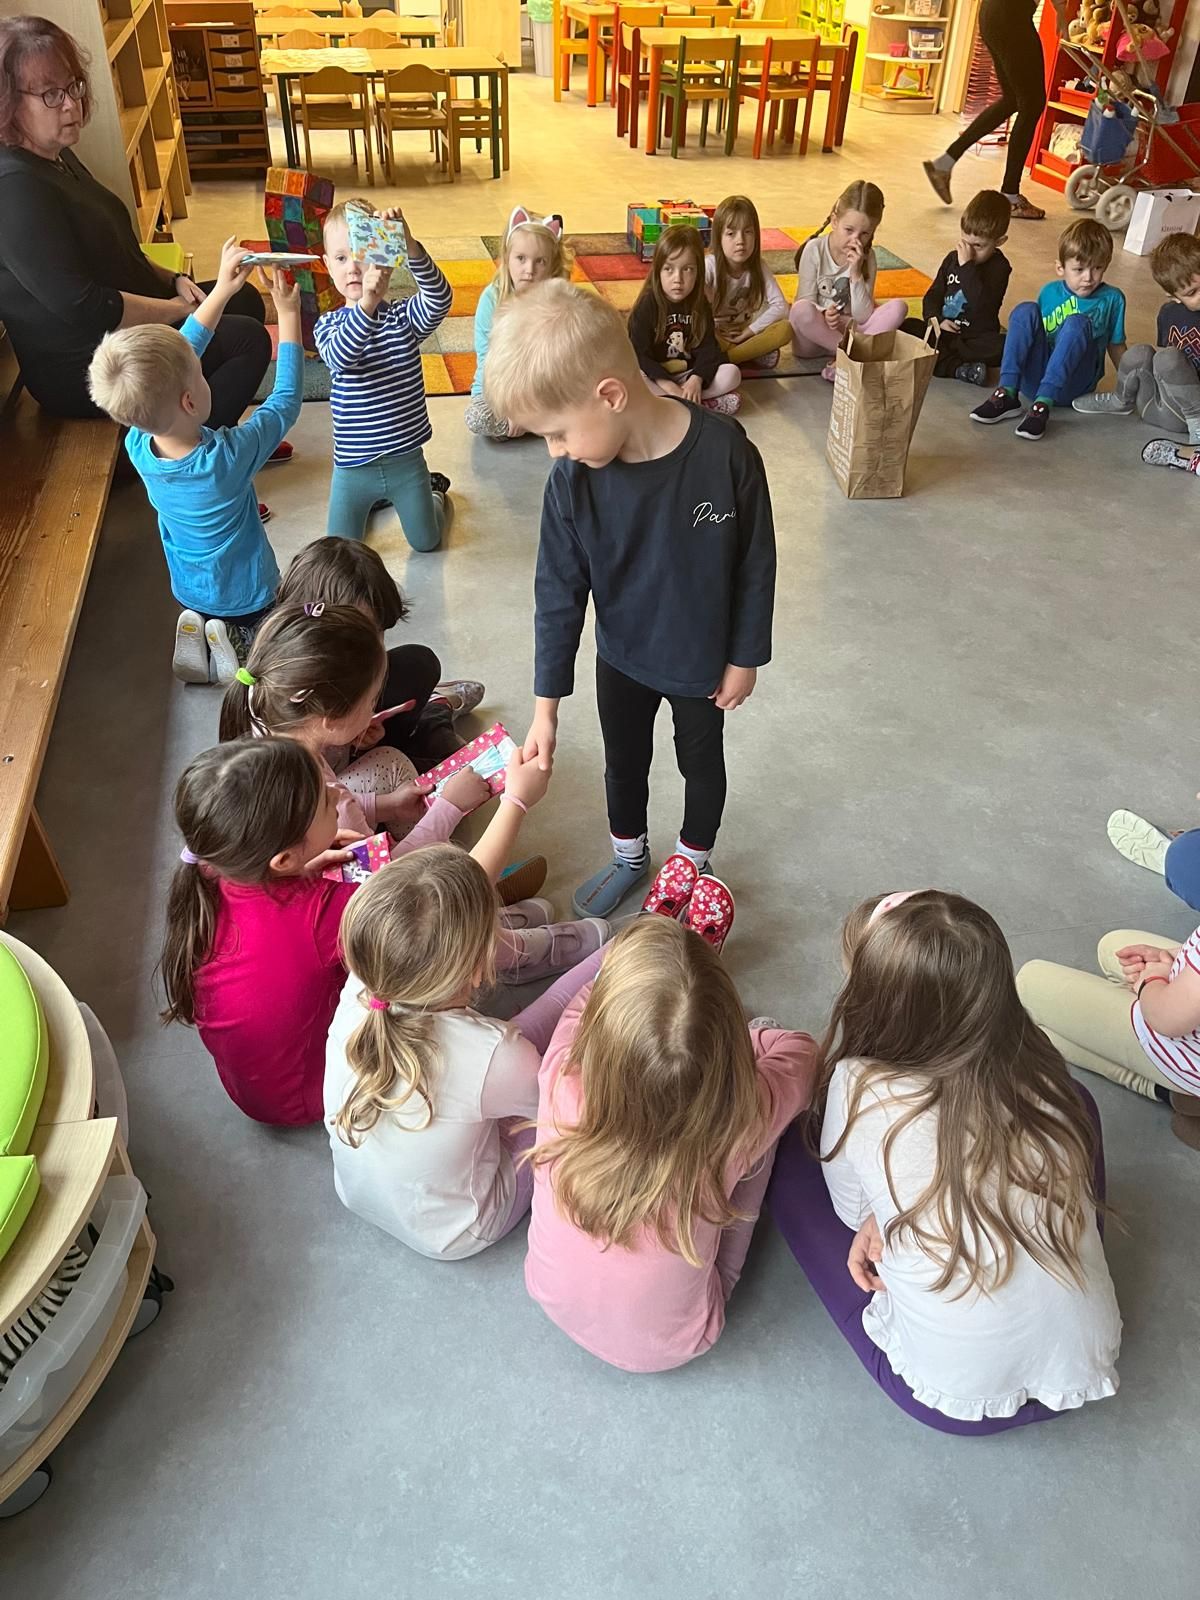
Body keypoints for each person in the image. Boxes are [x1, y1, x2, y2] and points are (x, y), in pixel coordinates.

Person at [771, 890, 1122, 1434]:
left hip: (954, 1396)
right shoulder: (1044, 1068)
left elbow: (850, 1213)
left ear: (871, 1002)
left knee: (790, 1151)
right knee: (1075, 1105)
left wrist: (879, 1214)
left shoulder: (859, 1084)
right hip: (1087, 1359)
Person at [483, 280, 776, 918]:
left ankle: (691, 863)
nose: (554, 451)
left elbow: (756, 562)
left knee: (702, 764)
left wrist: (746, 656)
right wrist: (545, 711)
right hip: (621, 659)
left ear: (610, 395)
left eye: (558, 433)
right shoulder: (572, 482)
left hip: (703, 661)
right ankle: (629, 856)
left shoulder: (725, 454)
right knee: (624, 763)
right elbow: (557, 595)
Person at [221, 602, 607, 984]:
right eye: (372, 701)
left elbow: (345, 830)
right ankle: (507, 951)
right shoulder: (330, 803)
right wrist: (485, 803)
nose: (376, 708)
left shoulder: (269, 736)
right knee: (446, 900)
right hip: (378, 944)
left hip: (336, 905)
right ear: (331, 720)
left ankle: (491, 925)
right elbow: (396, 891)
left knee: (392, 764)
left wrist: (385, 806)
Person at [324, 763, 607, 1259]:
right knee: (567, 1066)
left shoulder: (365, 985)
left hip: (360, 1193)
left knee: (501, 1057)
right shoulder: (494, 1054)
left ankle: (608, 950)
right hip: (463, 1227)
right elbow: (562, 1111)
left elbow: (475, 1057)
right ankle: (625, 952)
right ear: (482, 967)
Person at [524, 915, 815, 1372]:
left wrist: (618, 970)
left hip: (549, 1293)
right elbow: (803, 1053)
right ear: (726, 1050)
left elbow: (577, 1011)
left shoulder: (561, 1075)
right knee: (761, 1140)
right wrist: (753, 1039)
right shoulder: (735, 1121)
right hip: (674, 1345)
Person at [0, 16, 279, 447]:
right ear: (7, 102)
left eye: (73, 86)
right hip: (90, 364)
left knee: (242, 299)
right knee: (246, 340)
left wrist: (174, 279)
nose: (72, 105)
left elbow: (118, 246)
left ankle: (198, 430)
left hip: (120, 328)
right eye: (51, 95)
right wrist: (176, 309)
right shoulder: (14, 186)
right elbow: (86, 306)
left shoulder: (55, 154)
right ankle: (183, 459)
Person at [87, 238, 302, 685]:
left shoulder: (138, 443)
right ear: (189, 401)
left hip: (189, 585)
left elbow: (179, 353)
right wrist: (288, 315)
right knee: (273, 639)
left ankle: (202, 636)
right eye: (202, 375)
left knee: (206, 611)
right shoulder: (227, 458)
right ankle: (239, 649)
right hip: (249, 591)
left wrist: (222, 289)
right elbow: (284, 402)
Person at [159, 736, 366, 1125]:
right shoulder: (327, 911)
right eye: (326, 803)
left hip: (254, 1089)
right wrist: (459, 807)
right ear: (282, 859)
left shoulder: (214, 873)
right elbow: (431, 908)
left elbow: (276, 927)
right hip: (307, 1097)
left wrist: (304, 864)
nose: (337, 797)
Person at [275, 537, 481, 771]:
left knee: (419, 663)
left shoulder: (343, 669)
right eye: (358, 639)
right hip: (336, 778)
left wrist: (358, 733)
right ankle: (434, 717)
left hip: (346, 748)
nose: (377, 647)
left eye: (379, 632)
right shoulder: (286, 694)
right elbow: (329, 788)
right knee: (439, 773)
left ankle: (429, 721)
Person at [316, 200, 453, 551]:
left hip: (406, 461)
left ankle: (434, 495)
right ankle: (377, 503)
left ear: (383, 254)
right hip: (352, 470)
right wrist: (366, 305)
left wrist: (410, 245)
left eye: (360, 254)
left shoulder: (402, 319)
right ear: (327, 265)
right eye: (341, 258)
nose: (352, 268)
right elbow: (340, 357)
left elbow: (440, 299)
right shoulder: (328, 325)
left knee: (427, 542)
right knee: (339, 550)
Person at [1017, 926, 1200, 1147]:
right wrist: (1177, 956)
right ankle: (1173, 1093)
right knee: (1112, 946)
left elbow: (1166, 1017)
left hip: (1178, 1039)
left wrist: (1151, 981)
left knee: (1029, 982)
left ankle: (1170, 1091)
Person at [970, 217, 1126, 441]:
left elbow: (1116, 344)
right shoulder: (1049, 292)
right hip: (1033, 381)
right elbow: (1034, 336)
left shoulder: (1113, 298)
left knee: (1077, 323)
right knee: (1025, 310)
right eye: (1079, 269)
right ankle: (1007, 393)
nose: (1088, 277)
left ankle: (1042, 407)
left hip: (1073, 384)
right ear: (1060, 268)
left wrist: (1129, 386)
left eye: (1098, 268)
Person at [922, 0, 1066, 222]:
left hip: (993, 13)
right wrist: (1062, 11)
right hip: (1011, 15)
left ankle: (945, 163)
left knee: (1013, 100)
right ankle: (1010, 196)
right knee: (1032, 103)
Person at [1075, 231, 1200, 444]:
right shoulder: (1168, 313)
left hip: (1191, 414)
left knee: (1168, 358)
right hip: (1158, 408)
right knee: (1142, 353)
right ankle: (1120, 401)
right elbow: (1164, 361)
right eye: (1192, 293)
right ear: (1174, 297)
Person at [467, 206, 572, 440]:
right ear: (507, 258)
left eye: (540, 261)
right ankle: (541, 426)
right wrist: (511, 408)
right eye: (521, 259)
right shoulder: (492, 299)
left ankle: (535, 424)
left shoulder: (560, 299)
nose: (529, 270)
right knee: (477, 418)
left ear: (552, 265)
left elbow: (560, 361)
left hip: (543, 387)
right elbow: (488, 362)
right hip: (499, 388)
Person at [788, 181, 909, 381]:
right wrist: (824, 314)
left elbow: (862, 316)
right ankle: (855, 355)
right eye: (849, 230)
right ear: (834, 221)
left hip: (850, 330)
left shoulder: (868, 257)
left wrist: (856, 274)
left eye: (864, 234)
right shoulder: (814, 249)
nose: (856, 240)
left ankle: (846, 359)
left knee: (899, 308)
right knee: (800, 309)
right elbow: (805, 302)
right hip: (814, 339)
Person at [627, 225, 742, 416]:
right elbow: (639, 355)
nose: (678, 279)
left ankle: (682, 404)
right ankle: (699, 404)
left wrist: (697, 379)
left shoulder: (700, 304)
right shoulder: (647, 305)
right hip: (657, 377)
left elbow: (708, 349)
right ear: (658, 271)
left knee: (732, 373)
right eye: (669, 269)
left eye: (687, 269)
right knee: (632, 379)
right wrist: (669, 385)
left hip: (687, 374)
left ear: (698, 272)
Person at [900, 190, 1012, 386]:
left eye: (978, 246)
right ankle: (960, 369)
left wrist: (966, 267)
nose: (969, 251)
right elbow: (933, 295)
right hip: (943, 333)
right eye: (965, 242)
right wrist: (937, 320)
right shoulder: (952, 259)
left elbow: (980, 303)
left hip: (976, 339)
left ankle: (948, 362)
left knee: (1008, 345)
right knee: (906, 327)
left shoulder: (1000, 268)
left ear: (999, 242)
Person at [703, 194, 791, 371]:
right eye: (731, 234)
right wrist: (715, 331)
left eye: (748, 232)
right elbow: (695, 310)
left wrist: (748, 332)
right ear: (718, 237)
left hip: (745, 330)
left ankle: (730, 357)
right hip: (715, 333)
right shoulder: (710, 266)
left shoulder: (758, 266)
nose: (740, 241)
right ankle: (748, 353)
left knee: (785, 329)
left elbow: (781, 306)